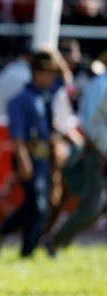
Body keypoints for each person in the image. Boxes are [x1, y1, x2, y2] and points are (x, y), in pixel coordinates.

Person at [0, 50, 62, 258]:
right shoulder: (21, 99)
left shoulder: (45, 96)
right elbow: (17, 136)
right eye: (48, 72)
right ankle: (23, 247)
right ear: (36, 72)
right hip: (28, 156)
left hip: (43, 157)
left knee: (37, 205)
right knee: (37, 205)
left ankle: (5, 238)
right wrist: (23, 161)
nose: (51, 77)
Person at [43, 64, 107, 256]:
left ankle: (59, 241)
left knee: (97, 205)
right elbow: (94, 125)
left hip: (99, 150)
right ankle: (55, 241)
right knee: (93, 205)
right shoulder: (102, 85)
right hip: (99, 153)